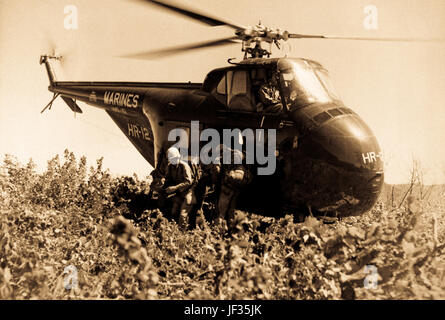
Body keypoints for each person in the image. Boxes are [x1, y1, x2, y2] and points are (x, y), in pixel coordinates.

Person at [214, 148, 252, 230]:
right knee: (231, 212)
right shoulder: (241, 166)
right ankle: (232, 230)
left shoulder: (231, 162)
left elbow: (218, 173)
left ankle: (218, 231)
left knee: (221, 213)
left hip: (227, 189)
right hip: (235, 190)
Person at [161, 146, 196, 230]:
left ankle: (182, 234)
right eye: (171, 159)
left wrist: (174, 188)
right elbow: (168, 180)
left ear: (178, 157)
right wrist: (163, 188)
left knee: (183, 215)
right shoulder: (170, 167)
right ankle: (174, 231)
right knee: (173, 212)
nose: (173, 161)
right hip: (179, 193)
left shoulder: (184, 166)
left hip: (189, 193)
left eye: (174, 159)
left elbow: (189, 182)